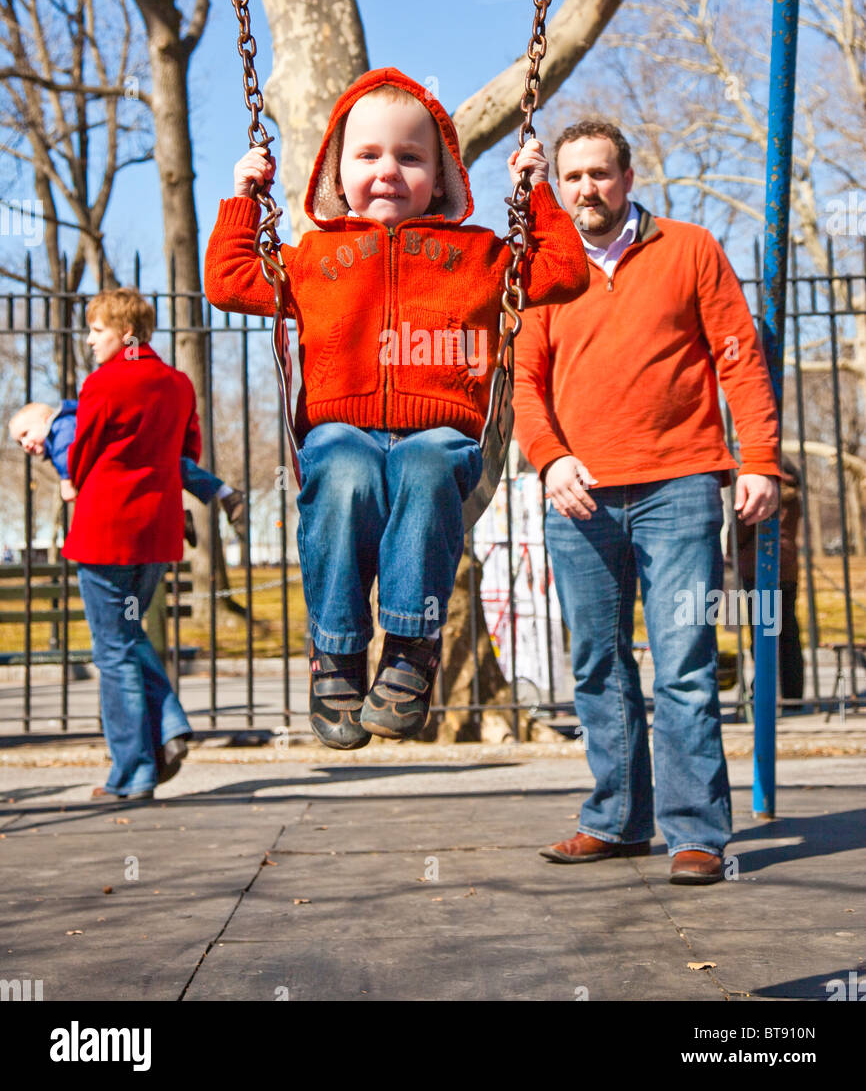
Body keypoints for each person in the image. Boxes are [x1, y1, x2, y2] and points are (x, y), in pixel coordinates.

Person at [204, 67, 589, 750]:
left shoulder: (476, 255)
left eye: (411, 157)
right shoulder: (318, 257)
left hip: (438, 427)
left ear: (441, 178)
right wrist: (244, 199)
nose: (388, 171)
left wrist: (536, 192)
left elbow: (562, 271)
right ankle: (339, 653)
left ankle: (411, 648)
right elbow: (228, 281)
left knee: (426, 466)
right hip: (340, 426)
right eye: (369, 155)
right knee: (344, 475)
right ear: (336, 172)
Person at [513, 119, 781, 884]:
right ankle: (618, 819)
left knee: (685, 663)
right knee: (597, 663)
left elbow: (739, 355)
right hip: (580, 495)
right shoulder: (543, 270)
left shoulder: (690, 248)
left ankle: (695, 832)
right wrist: (549, 458)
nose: (586, 189)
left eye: (600, 174)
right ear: (557, 188)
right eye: (572, 178)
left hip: (682, 484)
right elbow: (524, 383)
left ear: (628, 178)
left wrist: (759, 459)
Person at [60, 287, 199, 802]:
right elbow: (191, 451)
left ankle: (133, 770)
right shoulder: (178, 384)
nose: (90, 340)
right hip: (157, 533)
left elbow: (82, 454)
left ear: (125, 334)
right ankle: (168, 728)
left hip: (105, 530)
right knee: (128, 635)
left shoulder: (103, 383)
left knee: (112, 650)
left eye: (97, 330)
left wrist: (70, 481)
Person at [10, 401, 247, 545]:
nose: (25, 445)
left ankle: (221, 495)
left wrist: (66, 479)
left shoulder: (60, 427)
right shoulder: (58, 434)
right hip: (123, 468)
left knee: (173, 468)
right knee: (154, 487)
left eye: (25, 434)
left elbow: (66, 452)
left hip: (129, 457)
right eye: (20, 444)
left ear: (45, 419)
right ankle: (181, 518)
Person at [736, 455, 804, 703]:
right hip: (787, 566)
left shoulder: (760, 491)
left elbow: (742, 530)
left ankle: (763, 690)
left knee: (762, 630)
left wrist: (734, 549)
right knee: (788, 631)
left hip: (759, 565)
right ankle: (793, 692)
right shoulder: (794, 496)